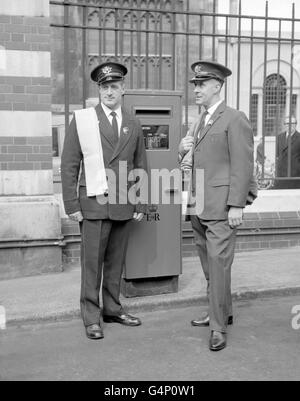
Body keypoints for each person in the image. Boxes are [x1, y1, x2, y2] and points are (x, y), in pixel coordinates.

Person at [61, 62, 148, 340]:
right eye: (104, 87)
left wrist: (141, 201)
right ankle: (91, 315)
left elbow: (140, 165)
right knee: (92, 263)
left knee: (115, 262)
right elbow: (69, 165)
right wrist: (72, 205)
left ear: (123, 89)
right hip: (93, 204)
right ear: (99, 90)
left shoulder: (133, 123)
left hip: (123, 203)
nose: (109, 91)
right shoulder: (84, 120)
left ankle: (112, 309)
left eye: (114, 86)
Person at [179, 60, 256, 351]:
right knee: (211, 267)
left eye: (201, 84)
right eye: (195, 84)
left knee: (219, 266)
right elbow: (190, 158)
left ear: (217, 86)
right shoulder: (200, 120)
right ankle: (221, 310)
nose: (196, 89)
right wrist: (181, 149)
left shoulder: (234, 118)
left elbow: (243, 164)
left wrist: (237, 205)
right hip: (199, 206)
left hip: (223, 208)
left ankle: (218, 327)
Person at [274, 116, 300, 189]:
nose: (289, 125)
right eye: (287, 123)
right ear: (285, 125)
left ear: (296, 124)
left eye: (292, 123)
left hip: (295, 175)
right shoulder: (279, 137)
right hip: (281, 175)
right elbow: (277, 154)